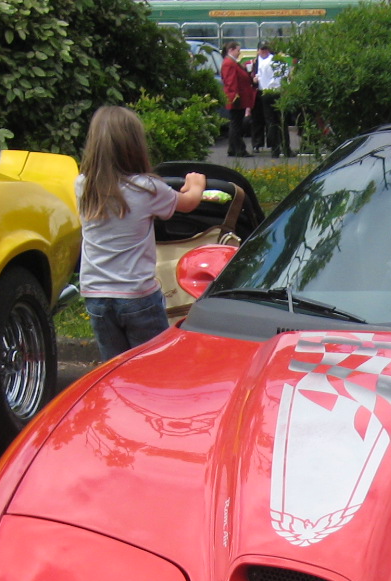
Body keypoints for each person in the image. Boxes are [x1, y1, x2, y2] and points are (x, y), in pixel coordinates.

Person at [76, 106, 206, 360]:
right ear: (134, 146)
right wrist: (195, 183)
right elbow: (188, 202)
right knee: (153, 363)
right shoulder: (148, 189)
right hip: (137, 295)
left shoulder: (83, 185)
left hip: (96, 295)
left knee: (115, 366)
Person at [221, 41, 257, 159]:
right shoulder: (229, 63)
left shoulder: (232, 63)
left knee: (235, 124)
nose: (239, 53)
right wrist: (234, 96)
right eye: (238, 50)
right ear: (231, 50)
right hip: (236, 98)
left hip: (239, 97)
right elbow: (230, 82)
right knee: (236, 125)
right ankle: (239, 149)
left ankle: (233, 148)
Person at [252, 42, 288, 158]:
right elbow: (284, 77)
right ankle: (286, 148)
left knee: (270, 122)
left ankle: (275, 150)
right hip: (277, 93)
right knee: (282, 121)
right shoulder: (280, 62)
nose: (263, 52)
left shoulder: (263, 64)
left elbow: (259, 78)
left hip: (266, 93)